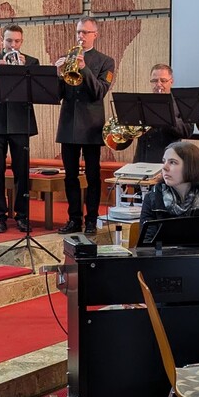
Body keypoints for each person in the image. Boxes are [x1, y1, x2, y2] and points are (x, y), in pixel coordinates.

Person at [0, 24, 39, 234]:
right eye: (9, 41)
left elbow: (37, 92)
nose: (13, 45)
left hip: (21, 123)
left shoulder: (31, 62)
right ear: (2, 41)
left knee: (22, 171)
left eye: (17, 41)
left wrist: (24, 71)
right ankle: (0, 216)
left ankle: (22, 216)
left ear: (22, 42)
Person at [55, 16, 115, 236]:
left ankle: (91, 219)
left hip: (91, 126)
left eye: (85, 32)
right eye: (79, 32)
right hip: (68, 124)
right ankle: (74, 219)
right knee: (70, 176)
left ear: (95, 35)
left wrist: (84, 68)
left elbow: (99, 92)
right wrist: (57, 75)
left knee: (92, 175)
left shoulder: (105, 61)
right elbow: (56, 95)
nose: (81, 36)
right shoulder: (66, 58)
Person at [139, 140, 199, 226]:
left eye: (172, 162)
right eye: (164, 161)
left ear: (191, 167)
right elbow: (148, 234)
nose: (164, 167)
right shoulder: (153, 197)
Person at [131, 64, 193, 163]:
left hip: (167, 161)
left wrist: (166, 116)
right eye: (154, 81)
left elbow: (187, 131)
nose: (158, 84)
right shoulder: (141, 103)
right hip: (142, 159)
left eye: (163, 81)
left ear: (171, 82)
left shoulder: (180, 103)